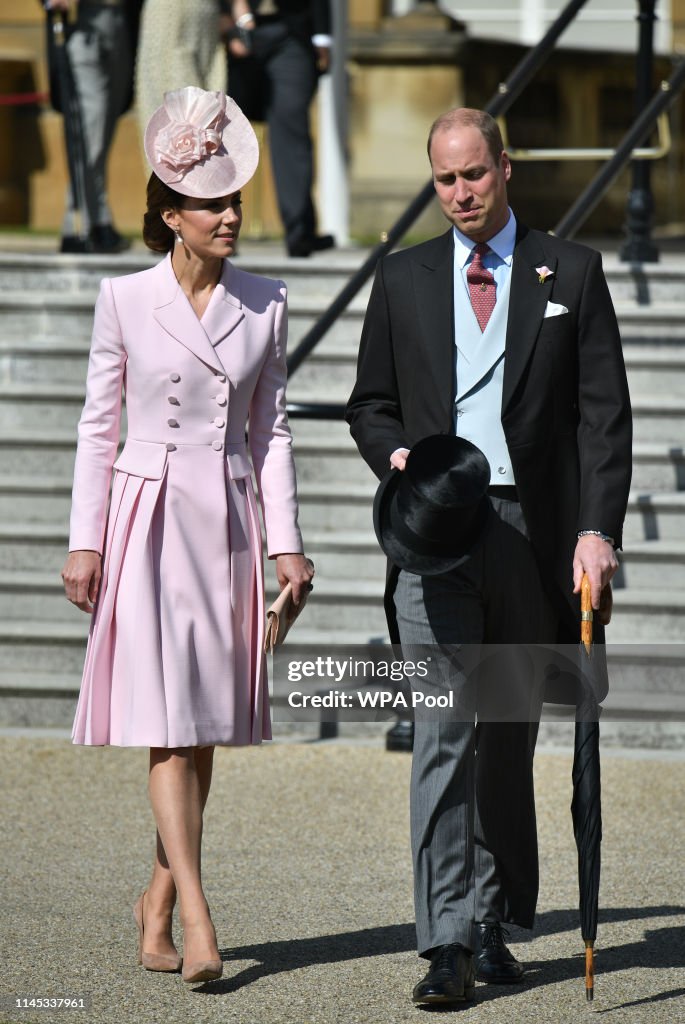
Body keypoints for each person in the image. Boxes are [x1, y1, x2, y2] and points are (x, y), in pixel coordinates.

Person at [346, 107, 632, 1006]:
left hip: (528, 537)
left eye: (473, 174)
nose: (459, 193)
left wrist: (596, 530)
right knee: (443, 730)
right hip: (433, 535)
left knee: (504, 738)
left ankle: (497, 923)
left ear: (503, 168)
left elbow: (601, 418)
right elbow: (370, 405)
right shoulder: (400, 279)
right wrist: (403, 461)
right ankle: (445, 941)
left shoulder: (571, 272)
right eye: (443, 179)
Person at [61, 85, 314, 984]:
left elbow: (269, 430)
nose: (233, 216)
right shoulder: (123, 298)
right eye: (213, 204)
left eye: (237, 201)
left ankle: (157, 902)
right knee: (169, 730)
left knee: (202, 728)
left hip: (230, 525)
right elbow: (99, 425)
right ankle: (202, 918)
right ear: (173, 216)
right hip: (147, 521)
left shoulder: (267, 300)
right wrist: (84, 539)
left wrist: (287, 541)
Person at [221, 0, 335, 257]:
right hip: (231, 34)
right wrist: (228, 21)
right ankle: (214, 230)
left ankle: (298, 230)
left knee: (290, 129)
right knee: (218, 133)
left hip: (291, 31)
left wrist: (323, 37)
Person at [44, 0, 141, 253]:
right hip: (81, 20)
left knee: (104, 128)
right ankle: (80, 224)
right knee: (90, 131)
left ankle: (96, 220)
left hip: (121, 18)